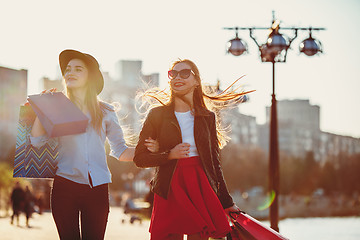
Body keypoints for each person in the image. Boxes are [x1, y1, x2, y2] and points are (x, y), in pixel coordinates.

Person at [29, 49, 158, 240]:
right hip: (65, 186)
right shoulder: (58, 106)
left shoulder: (105, 111)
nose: (70, 72)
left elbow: (120, 150)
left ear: (90, 77)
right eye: (68, 69)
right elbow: (36, 142)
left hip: (97, 188)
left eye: (78, 69)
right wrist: (43, 108)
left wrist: (151, 150)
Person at [134, 59, 252, 240]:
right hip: (169, 185)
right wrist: (169, 154)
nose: (177, 77)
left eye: (184, 73)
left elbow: (214, 163)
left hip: (200, 183)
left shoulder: (208, 117)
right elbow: (140, 158)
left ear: (197, 81)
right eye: (173, 74)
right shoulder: (157, 114)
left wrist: (226, 202)